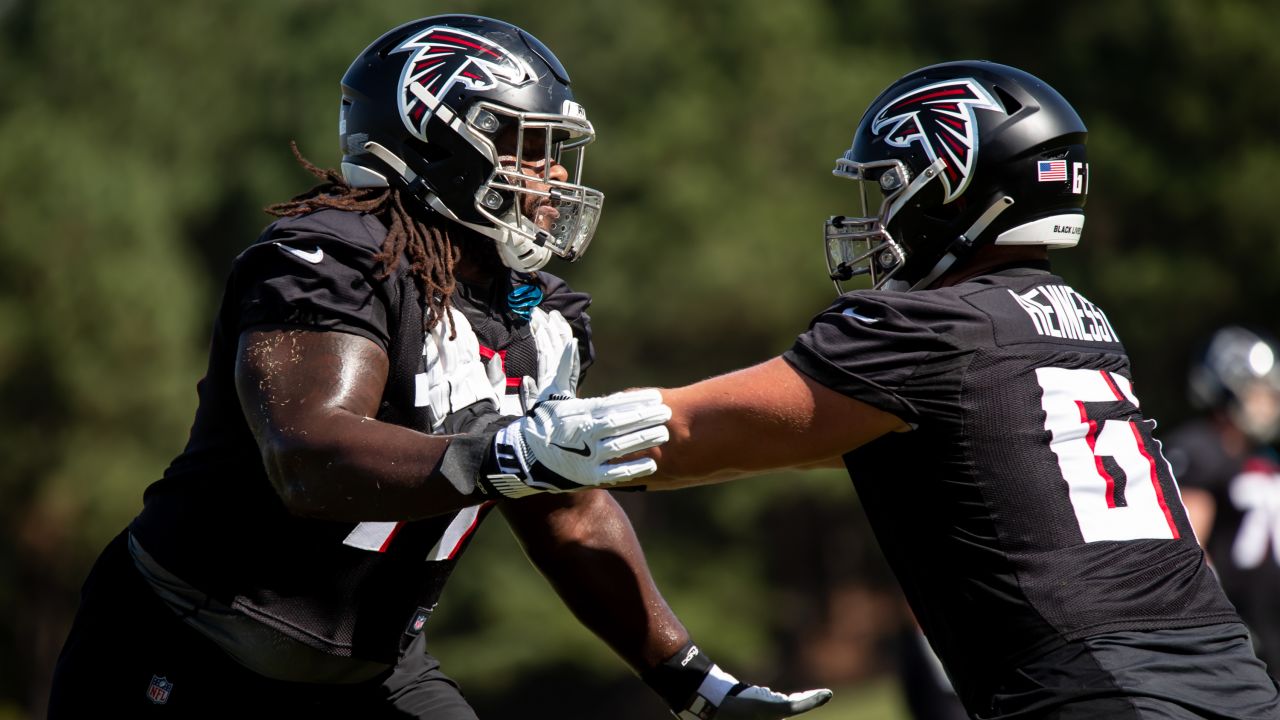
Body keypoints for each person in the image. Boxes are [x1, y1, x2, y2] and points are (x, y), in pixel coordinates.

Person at [47, 15, 830, 719]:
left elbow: (567, 511)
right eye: (528, 145)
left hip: (376, 672)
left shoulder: (541, 314)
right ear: (439, 139)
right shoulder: (328, 259)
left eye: (555, 152)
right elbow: (310, 457)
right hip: (189, 649)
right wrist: (505, 454)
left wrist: (691, 681)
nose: (554, 175)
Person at [582, 60, 1280, 718]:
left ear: (953, 185)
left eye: (891, 186)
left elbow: (690, 433)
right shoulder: (1083, 325)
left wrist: (519, 436)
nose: (878, 213)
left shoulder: (934, 325)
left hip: (1097, 689)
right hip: (1234, 677)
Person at [1164, 325, 1280, 679]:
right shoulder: (1202, 449)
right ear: (1227, 389)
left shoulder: (1262, 458)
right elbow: (1189, 546)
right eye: (1261, 393)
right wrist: (1218, 624)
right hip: (1240, 637)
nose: (1272, 403)